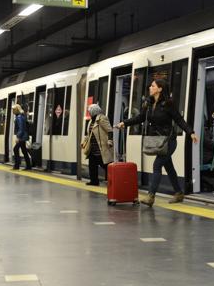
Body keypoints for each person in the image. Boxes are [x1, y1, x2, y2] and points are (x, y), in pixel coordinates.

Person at [117, 79, 199, 207]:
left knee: (157, 165)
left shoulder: (168, 104)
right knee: (169, 167)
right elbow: (140, 118)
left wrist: (191, 132)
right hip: (158, 141)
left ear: (160, 89)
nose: (150, 87)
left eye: (153, 85)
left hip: (169, 141)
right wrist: (125, 123)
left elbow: (179, 119)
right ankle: (178, 193)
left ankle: (151, 196)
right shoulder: (148, 104)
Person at [81, 104, 113, 185]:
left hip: (101, 146)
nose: (89, 113)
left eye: (90, 111)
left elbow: (109, 130)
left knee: (105, 165)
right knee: (92, 165)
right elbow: (89, 134)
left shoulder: (102, 118)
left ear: (93, 111)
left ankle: (114, 180)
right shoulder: (91, 120)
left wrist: (110, 140)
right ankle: (94, 181)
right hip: (93, 147)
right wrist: (84, 142)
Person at [12, 104, 32, 170]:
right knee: (24, 150)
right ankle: (28, 165)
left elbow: (21, 128)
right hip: (24, 136)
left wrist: (18, 137)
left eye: (13, 110)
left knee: (15, 149)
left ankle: (17, 165)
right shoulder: (21, 116)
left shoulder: (19, 117)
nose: (12, 111)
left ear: (17, 110)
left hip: (22, 136)